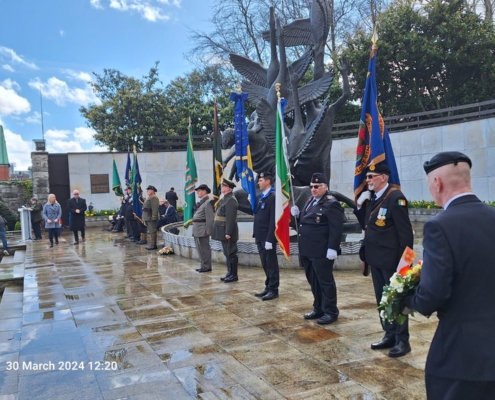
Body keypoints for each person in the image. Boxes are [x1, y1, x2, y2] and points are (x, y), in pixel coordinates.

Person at [404, 151, 495, 399]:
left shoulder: (440, 226)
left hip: (462, 356)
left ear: (437, 183)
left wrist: (407, 300)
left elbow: (433, 294)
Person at [354, 161, 414, 357]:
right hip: (376, 259)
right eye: (367, 177)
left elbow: (406, 235)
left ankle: (402, 340)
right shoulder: (374, 198)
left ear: (384, 178)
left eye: (372, 177)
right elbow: (367, 224)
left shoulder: (396, 198)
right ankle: (389, 334)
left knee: (397, 301)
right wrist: (360, 204)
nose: (368, 180)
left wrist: (404, 266)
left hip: (392, 262)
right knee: (382, 299)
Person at [291, 172, 344, 324]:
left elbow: (336, 228)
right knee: (313, 281)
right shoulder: (310, 200)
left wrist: (333, 248)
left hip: (321, 251)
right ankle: (318, 308)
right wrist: (297, 215)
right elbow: (306, 221)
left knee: (325, 282)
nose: (313, 189)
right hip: (307, 250)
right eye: (311, 187)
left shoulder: (331, 203)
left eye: (317, 186)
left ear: (325, 187)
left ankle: (331, 311)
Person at [253, 172, 279, 301]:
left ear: (268, 181)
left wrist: (270, 238)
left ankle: (273, 289)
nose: (258, 182)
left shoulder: (273, 196)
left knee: (271, 263)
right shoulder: (261, 197)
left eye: (260, 180)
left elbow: (273, 220)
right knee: (265, 263)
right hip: (259, 235)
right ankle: (268, 286)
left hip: (267, 237)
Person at [212, 178, 239, 283]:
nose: (221, 187)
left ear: (229, 188)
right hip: (222, 229)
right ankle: (229, 272)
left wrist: (228, 232)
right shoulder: (225, 198)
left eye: (223, 186)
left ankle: (233, 275)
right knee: (227, 253)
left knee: (231, 252)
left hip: (227, 231)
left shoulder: (231, 200)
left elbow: (230, 218)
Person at [192, 184, 214, 273]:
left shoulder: (208, 202)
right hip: (197, 229)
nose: (198, 192)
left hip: (202, 229)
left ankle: (207, 266)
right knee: (199, 248)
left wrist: (209, 230)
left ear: (205, 191)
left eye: (199, 191)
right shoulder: (202, 202)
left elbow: (210, 217)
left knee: (204, 249)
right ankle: (203, 265)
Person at [142, 185, 160, 250]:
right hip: (147, 216)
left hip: (151, 217)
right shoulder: (150, 197)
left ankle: (154, 244)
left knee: (153, 231)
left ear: (152, 191)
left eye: (148, 190)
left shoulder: (154, 197)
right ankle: (152, 244)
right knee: (150, 230)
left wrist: (154, 217)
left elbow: (155, 208)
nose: (147, 191)